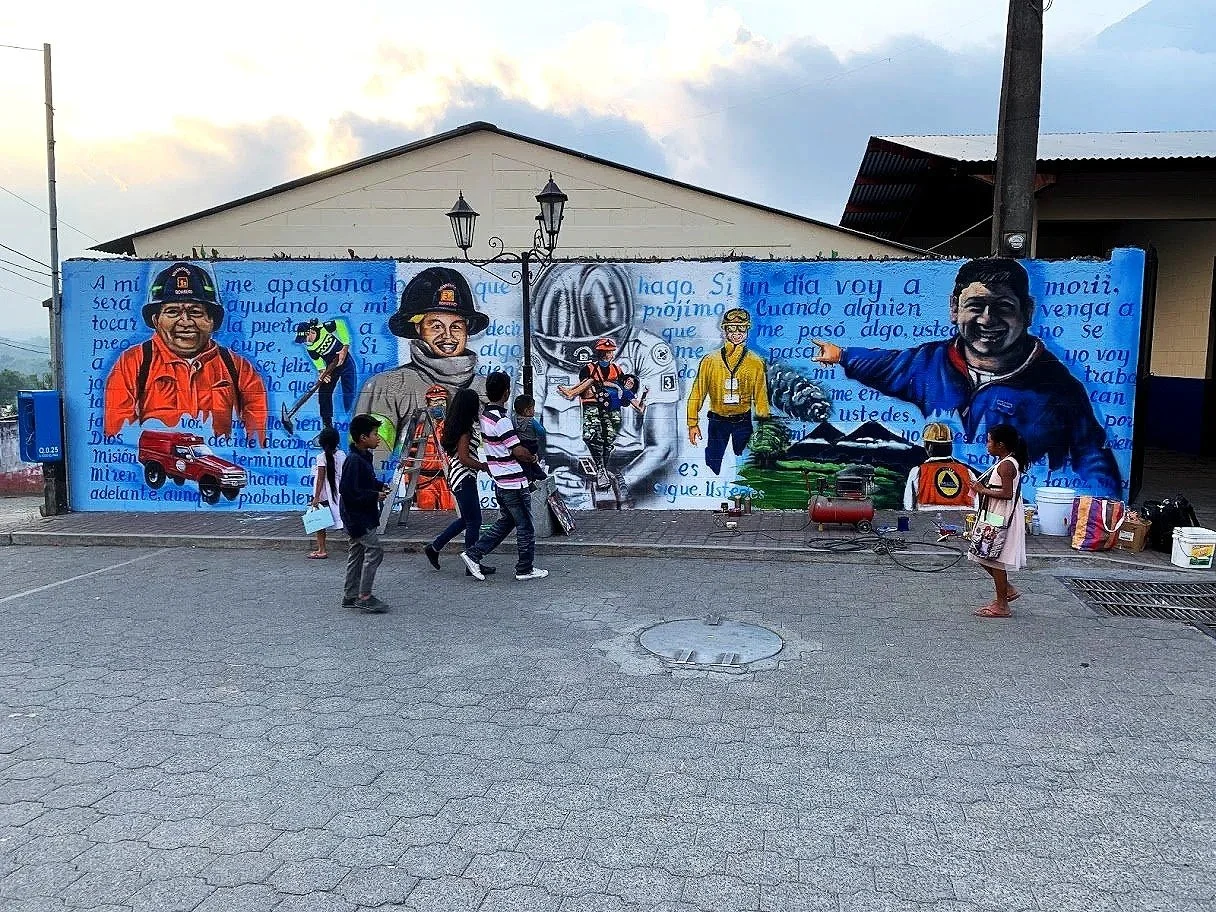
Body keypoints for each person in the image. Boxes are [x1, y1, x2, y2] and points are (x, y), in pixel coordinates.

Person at [812, 258, 1122, 497]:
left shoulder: (1058, 390)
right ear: (954, 309)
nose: (987, 319)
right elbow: (886, 364)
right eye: (975, 306)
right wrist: (841, 355)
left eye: (1003, 307)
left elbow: (1092, 456)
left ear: (1027, 312)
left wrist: (1103, 507)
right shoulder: (929, 363)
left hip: (1008, 507)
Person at [530, 263, 680, 508]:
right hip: (559, 475)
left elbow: (662, 446)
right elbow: (528, 426)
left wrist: (619, 481)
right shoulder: (536, 354)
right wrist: (547, 475)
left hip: (625, 477)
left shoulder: (648, 351)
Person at [104, 262, 268, 441]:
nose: (185, 321)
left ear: (212, 320)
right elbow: (118, 436)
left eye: (196, 312)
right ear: (156, 319)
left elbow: (256, 440)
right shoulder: (132, 363)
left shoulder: (240, 370)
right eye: (173, 311)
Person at [355, 267, 488, 456]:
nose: (448, 336)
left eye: (456, 326)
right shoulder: (385, 387)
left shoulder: (486, 391)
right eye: (436, 326)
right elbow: (374, 462)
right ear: (418, 327)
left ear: (467, 329)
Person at [460, 372, 547, 582]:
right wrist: (532, 457)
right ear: (506, 392)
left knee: (507, 522)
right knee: (525, 525)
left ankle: (473, 554)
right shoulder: (501, 420)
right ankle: (525, 568)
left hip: (500, 479)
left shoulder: (485, 417)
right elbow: (517, 451)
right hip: (513, 481)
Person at [686, 307, 771, 476]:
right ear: (724, 330)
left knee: (743, 462)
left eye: (741, 328)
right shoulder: (710, 361)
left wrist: (764, 425)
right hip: (717, 421)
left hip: (743, 422)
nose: (736, 333)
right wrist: (692, 423)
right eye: (731, 328)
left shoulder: (755, 362)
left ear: (747, 331)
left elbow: (761, 397)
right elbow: (697, 393)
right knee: (713, 462)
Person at [423, 388, 495, 576]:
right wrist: (482, 466)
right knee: (474, 521)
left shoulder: (457, 426)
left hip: (459, 477)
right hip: (464, 477)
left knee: (466, 519)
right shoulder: (465, 430)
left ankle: (435, 547)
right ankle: (472, 561)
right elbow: (464, 458)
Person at [967, 423, 1028, 619]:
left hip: (1000, 515)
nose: (987, 444)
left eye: (989, 441)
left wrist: (982, 490)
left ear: (1001, 444)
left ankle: (1002, 605)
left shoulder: (1006, 465)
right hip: (995, 513)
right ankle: (1006, 590)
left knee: (994, 559)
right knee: (981, 554)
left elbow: (1007, 494)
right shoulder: (1004, 462)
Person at [557, 338, 627, 491]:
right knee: (593, 435)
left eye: (611, 351)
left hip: (612, 406)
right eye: (607, 352)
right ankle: (601, 470)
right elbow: (586, 386)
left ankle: (602, 466)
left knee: (609, 439)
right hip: (592, 404)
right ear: (600, 353)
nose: (610, 354)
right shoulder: (588, 369)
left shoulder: (617, 369)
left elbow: (622, 387)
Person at [339, 414, 392, 613]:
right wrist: (374, 495)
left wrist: (379, 486)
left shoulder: (363, 457)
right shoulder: (353, 460)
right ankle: (364, 595)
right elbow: (349, 492)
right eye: (375, 434)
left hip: (361, 515)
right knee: (375, 551)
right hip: (357, 518)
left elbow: (365, 483)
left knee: (357, 554)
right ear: (363, 437)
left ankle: (350, 594)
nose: (378, 438)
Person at [293, 318, 356, 429]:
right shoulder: (310, 348)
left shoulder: (323, 328)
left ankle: (353, 418)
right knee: (324, 392)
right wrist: (323, 373)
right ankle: (328, 426)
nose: (305, 341)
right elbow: (318, 362)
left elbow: (339, 324)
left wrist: (345, 347)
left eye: (305, 338)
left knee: (349, 390)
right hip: (331, 368)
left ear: (310, 332)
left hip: (345, 361)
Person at [903, 422, 978, 512]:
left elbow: (908, 506)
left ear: (928, 446)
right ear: (950, 446)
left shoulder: (918, 472)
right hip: (962, 522)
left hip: (925, 522)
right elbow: (976, 505)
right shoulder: (968, 472)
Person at [411, 385, 456, 511]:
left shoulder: (451, 427)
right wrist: (411, 490)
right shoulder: (419, 429)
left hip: (447, 480)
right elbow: (410, 460)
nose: (439, 405)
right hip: (424, 481)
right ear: (428, 404)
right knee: (426, 513)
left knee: (451, 512)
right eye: (435, 402)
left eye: (442, 401)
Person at [308, 426, 345, 559]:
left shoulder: (321, 457)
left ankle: (322, 549)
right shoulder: (342, 455)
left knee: (319, 521)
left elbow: (320, 478)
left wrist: (316, 497)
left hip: (324, 493)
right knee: (344, 517)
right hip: (340, 491)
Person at [512, 394, 548, 484]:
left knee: (525, 464)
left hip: (520, 445)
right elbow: (541, 431)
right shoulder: (531, 421)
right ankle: (537, 476)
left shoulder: (513, 419)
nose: (534, 410)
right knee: (532, 462)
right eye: (532, 408)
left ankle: (531, 476)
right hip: (531, 445)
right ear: (527, 411)